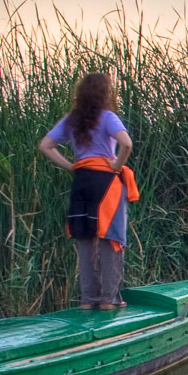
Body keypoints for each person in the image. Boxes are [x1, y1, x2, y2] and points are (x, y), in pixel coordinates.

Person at [38, 71, 137, 311]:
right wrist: (117, 164)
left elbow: (45, 145)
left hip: (81, 181)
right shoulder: (108, 117)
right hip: (105, 183)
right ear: (105, 93)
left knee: (85, 238)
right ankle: (109, 300)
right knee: (110, 238)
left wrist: (71, 166)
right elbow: (126, 143)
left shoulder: (71, 120)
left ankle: (88, 299)